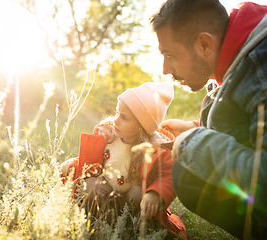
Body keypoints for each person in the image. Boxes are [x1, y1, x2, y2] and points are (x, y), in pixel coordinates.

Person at [150, 0, 267, 239]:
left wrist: (194, 143)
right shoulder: (236, 59)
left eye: (169, 54)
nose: (164, 69)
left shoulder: (260, 69)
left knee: (189, 173)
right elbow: (249, 123)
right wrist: (196, 127)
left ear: (204, 44)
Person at [59, 81, 187, 239]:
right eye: (117, 112)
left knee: (139, 194)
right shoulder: (107, 138)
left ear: (141, 126)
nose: (116, 120)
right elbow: (90, 162)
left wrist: (156, 193)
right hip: (105, 192)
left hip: (131, 200)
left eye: (124, 117)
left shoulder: (154, 150)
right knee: (90, 187)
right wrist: (74, 164)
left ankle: (132, 225)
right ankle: (98, 222)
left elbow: (168, 176)